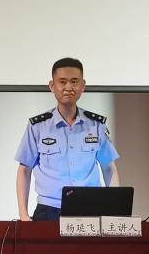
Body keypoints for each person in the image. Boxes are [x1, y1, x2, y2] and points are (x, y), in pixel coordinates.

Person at [15, 58, 120, 221]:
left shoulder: (96, 125)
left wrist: (115, 211)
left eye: (74, 82)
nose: (69, 87)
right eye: (62, 82)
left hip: (90, 208)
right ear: (52, 86)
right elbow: (24, 170)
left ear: (83, 86)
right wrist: (23, 215)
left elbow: (109, 168)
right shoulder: (38, 126)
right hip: (49, 211)